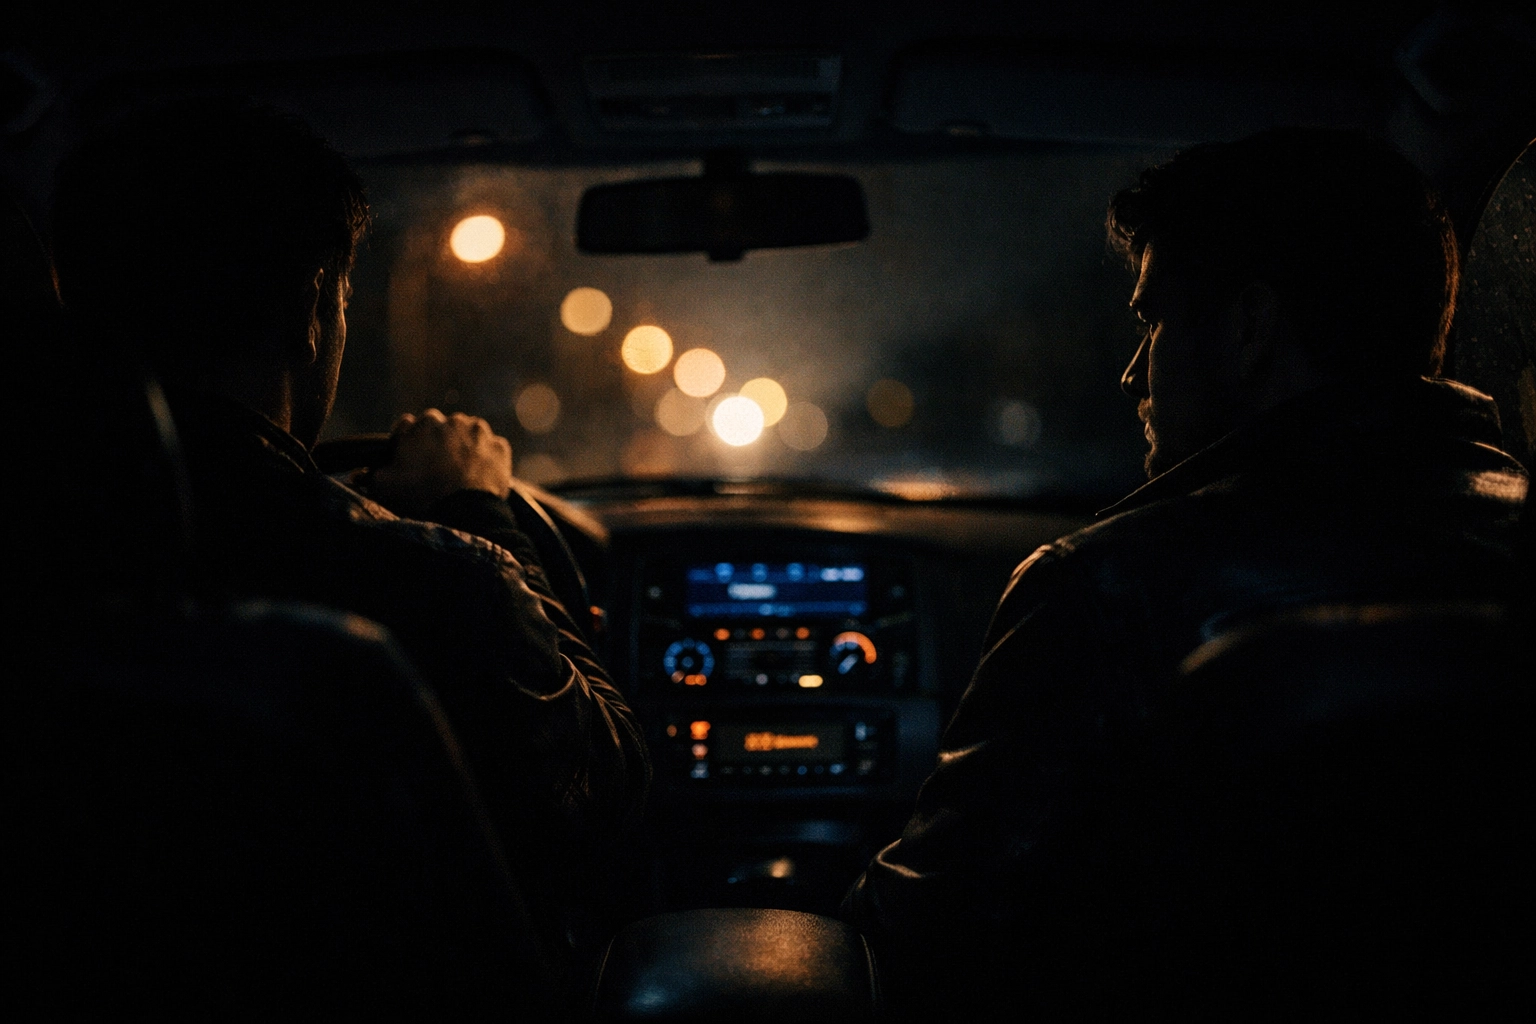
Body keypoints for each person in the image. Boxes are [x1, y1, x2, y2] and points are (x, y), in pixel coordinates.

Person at [841, 129, 1529, 1012]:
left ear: (1248, 327)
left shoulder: (1103, 587)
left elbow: (927, 928)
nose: (1134, 372)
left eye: (1153, 320)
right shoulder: (1515, 543)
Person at [49, 102, 648, 944]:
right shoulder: (440, 580)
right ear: (312, 307)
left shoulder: (43, 551)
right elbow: (610, 803)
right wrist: (478, 510)